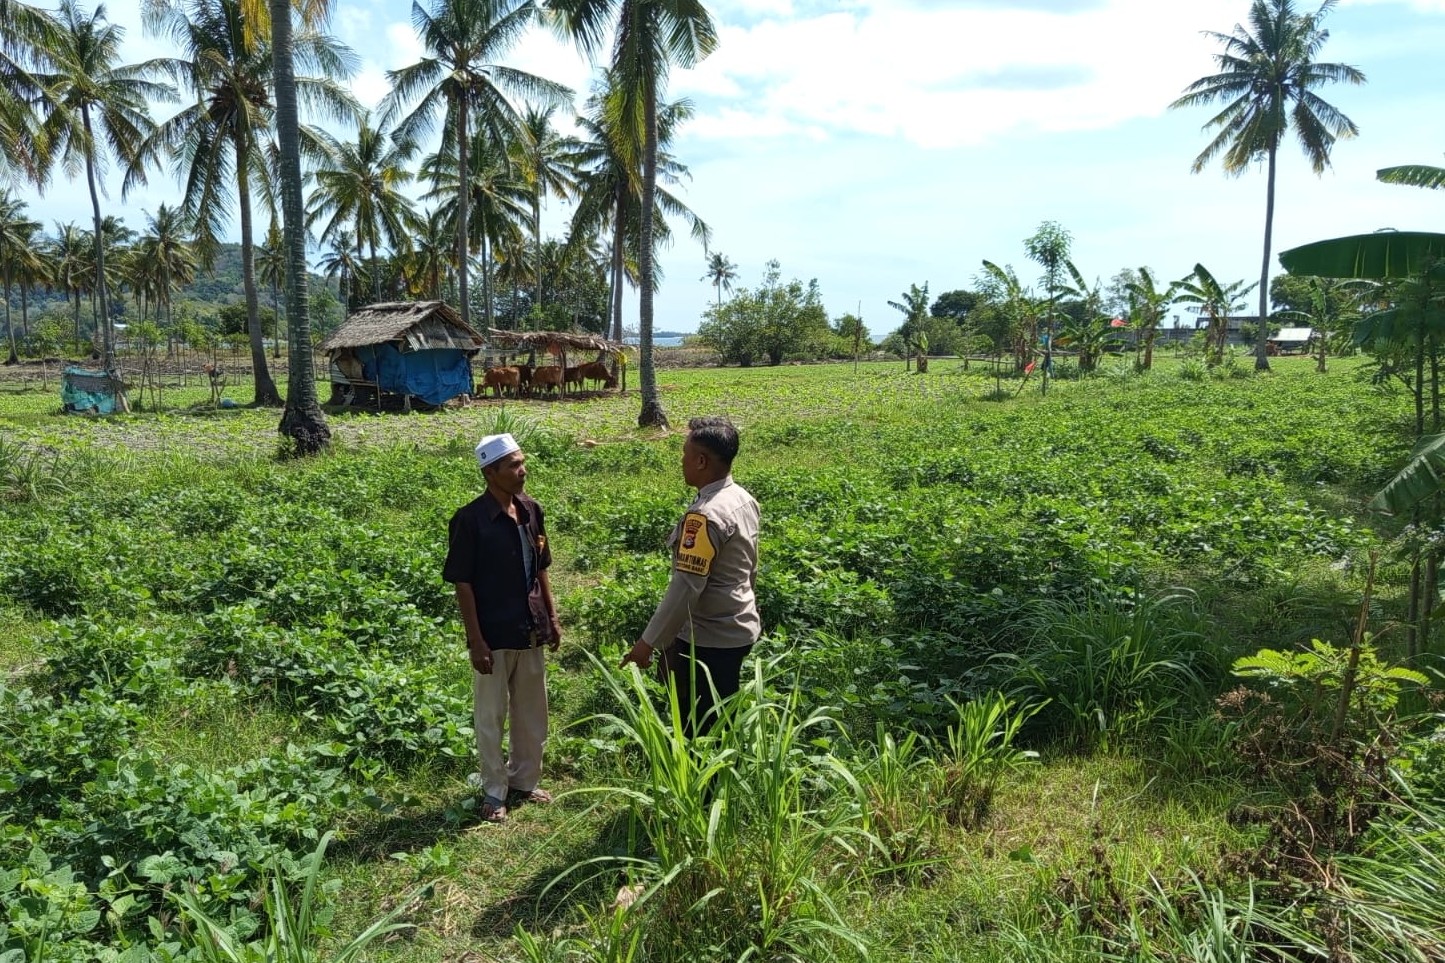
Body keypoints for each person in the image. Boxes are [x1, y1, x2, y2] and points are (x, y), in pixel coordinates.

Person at [443, 432, 561, 823]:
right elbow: (464, 583)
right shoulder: (470, 520)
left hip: (530, 626)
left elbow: (541, 568)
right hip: (493, 633)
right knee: (491, 714)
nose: (522, 471)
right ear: (490, 472)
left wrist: (553, 618)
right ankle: (495, 791)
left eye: (522, 463)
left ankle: (525, 780)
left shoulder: (531, 510)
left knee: (532, 711)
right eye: (513, 465)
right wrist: (476, 640)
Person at [621, 416, 761, 736]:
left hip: (708, 638)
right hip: (737, 627)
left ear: (701, 461)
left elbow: (686, 588)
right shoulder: (742, 499)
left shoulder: (705, 515)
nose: (681, 462)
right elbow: (750, 568)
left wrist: (647, 644)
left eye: (684, 455)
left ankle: (703, 785)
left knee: (700, 727)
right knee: (723, 717)